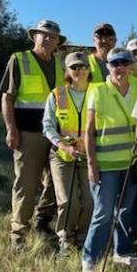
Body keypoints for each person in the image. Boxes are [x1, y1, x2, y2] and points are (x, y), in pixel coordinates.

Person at [0, 19, 66, 250]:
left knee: (55, 183)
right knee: (26, 184)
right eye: (43, 34)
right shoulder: (19, 59)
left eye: (53, 36)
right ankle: (18, 234)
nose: (48, 39)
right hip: (28, 134)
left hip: (55, 135)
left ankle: (42, 220)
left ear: (58, 42)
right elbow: (7, 97)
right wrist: (11, 129)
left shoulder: (59, 63)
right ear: (34, 36)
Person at [82, 48, 137, 272]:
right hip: (105, 164)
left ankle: (122, 250)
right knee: (103, 212)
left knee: (125, 211)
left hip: (130, 163)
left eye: (125, 62)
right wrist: (91, 163)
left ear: (131, 65)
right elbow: (88, 131)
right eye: (115, 63)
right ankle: (90, 257)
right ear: (108, 66)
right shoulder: (97, 90)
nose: (121, 67)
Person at [42, 52, 94, 255]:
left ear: (89, 70)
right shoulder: (57, 94)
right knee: (67, 200)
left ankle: (82, 237)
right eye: (74, 67)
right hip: (63, 157)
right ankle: (65, 237)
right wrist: (64, 147)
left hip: (89, 158)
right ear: (67, 71)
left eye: (83, 66)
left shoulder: (97, 92)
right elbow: (47, 126)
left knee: (90, 201)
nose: (79, 71)